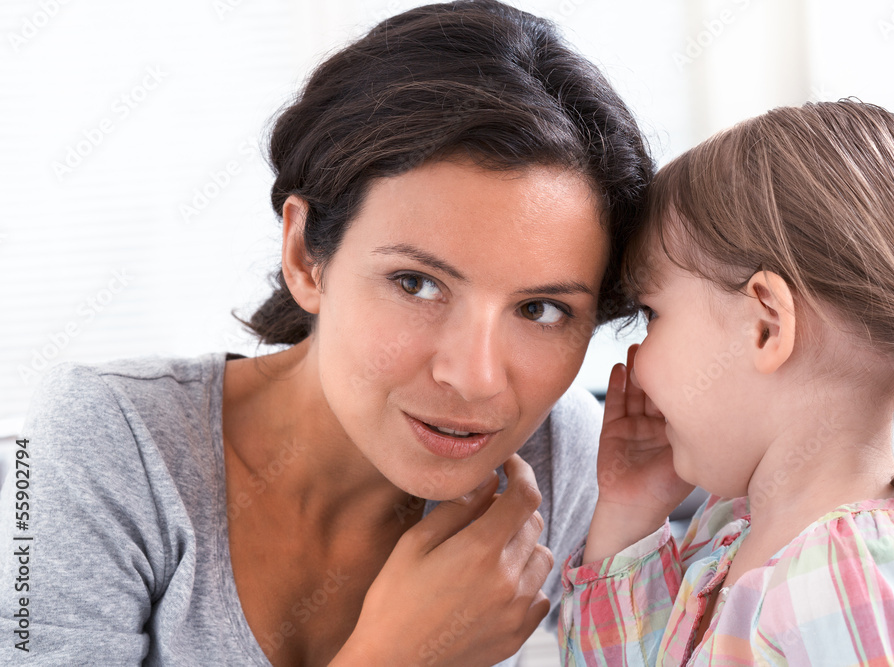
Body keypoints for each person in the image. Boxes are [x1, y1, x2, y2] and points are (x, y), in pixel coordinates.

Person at [0, 2, 654, 665]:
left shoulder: (558, 454)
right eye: (417, 283)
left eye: (540, 308)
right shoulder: (106, 441)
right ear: (304, 256)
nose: (476, 377)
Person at [558, 100, 894, 665]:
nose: (637, 360)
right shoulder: (731, 534)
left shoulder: (849, 580)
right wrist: (630, 514)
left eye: (652, 313)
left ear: (766, 326)